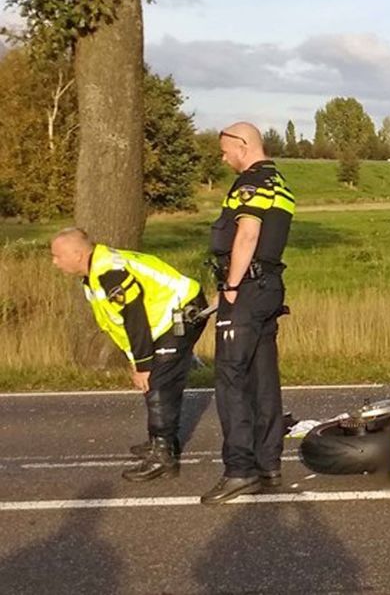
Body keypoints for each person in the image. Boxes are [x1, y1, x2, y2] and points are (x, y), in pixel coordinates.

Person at [50, 228, 208, 481]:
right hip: (163, 319)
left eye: (58, 256)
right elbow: (118, 324)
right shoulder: (93, 274)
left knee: (158, 381)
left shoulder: (109, 273)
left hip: (181, 311)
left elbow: (135, 318)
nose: (54, 262)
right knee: (156, 379)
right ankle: (161, 441)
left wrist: (144, 364)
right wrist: (135, 360)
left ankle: (163, 456)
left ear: (78, 254)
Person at [201, 122, 295, 505]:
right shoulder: (280, 182)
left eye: (226, 151)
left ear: (244, 145)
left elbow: (248, 234)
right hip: (269, 286)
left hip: (248, 289)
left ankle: (239, 471)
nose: (223, 159)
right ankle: (268, 464)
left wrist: (231, 287)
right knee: (263, 377)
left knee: (232, 379)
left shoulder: (252, 183)